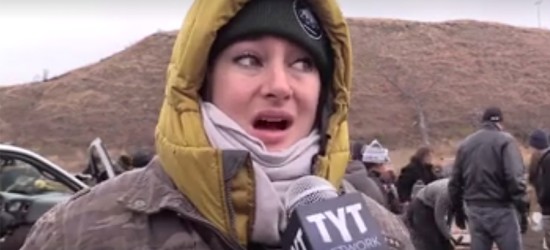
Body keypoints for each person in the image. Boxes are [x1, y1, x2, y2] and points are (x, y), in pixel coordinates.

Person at [19, 1, 414, 249]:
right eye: (248, 59)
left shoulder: (382, 231)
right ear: (201, 81)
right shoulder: (77, 233)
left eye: (302, 63)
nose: (279, 86)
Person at [448, 106, 528, 250]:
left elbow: (454, 182)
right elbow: (514, 178)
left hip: (474, 209)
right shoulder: (506, 141)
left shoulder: (466, 143)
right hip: (502, 208)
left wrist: (458, 210)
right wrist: (522, 208)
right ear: (500, 123)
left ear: (483, 122)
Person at [407, 178, 454, 250]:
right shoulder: (445, 193)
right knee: (432, 239)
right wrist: (448, 236)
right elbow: (439, 217)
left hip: (431, 203)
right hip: (421, 204)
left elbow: (451, 212)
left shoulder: (459, 190)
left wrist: (448, 231)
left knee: (444, 241)